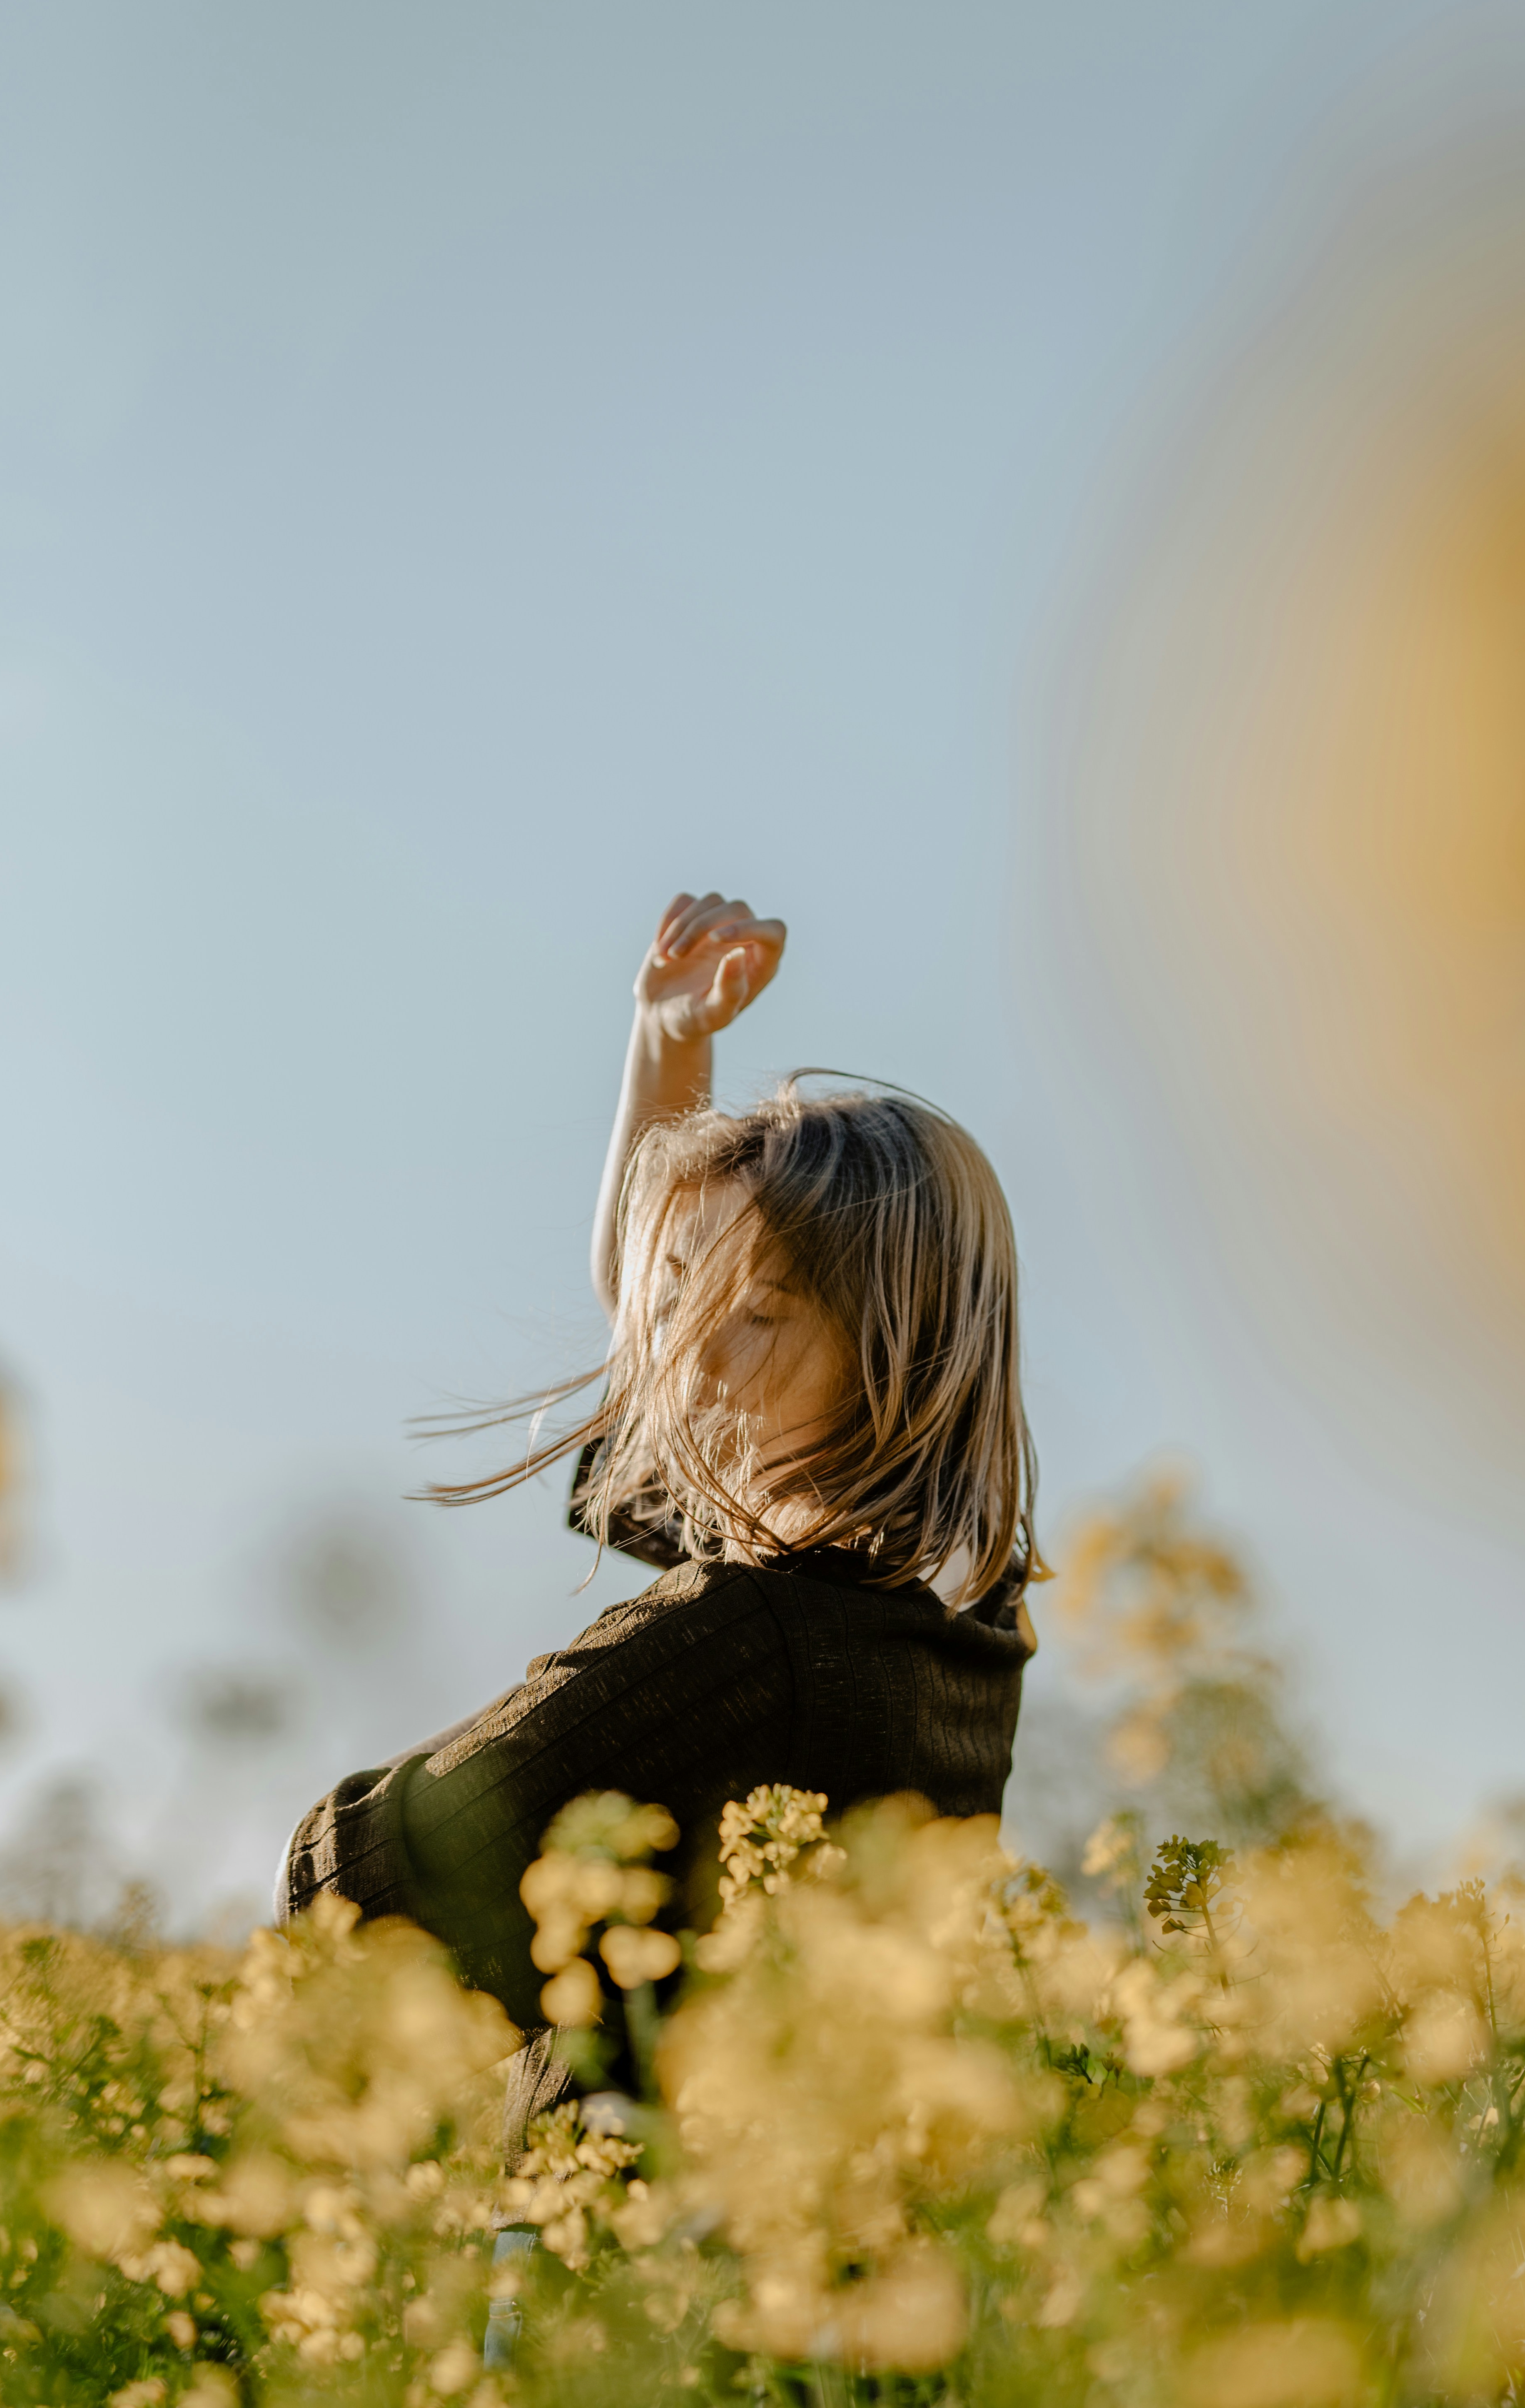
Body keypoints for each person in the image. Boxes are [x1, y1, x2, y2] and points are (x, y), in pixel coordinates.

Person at [278, 890, 1042, 2150]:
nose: (683, 1357)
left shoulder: (747, 1641)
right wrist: (665, 1052)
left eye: (762, 1312)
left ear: (895, 1355)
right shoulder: (952, 1620)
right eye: (685, 1297)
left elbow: (364, 1902)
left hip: (630, 2299)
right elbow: (649, 1306)